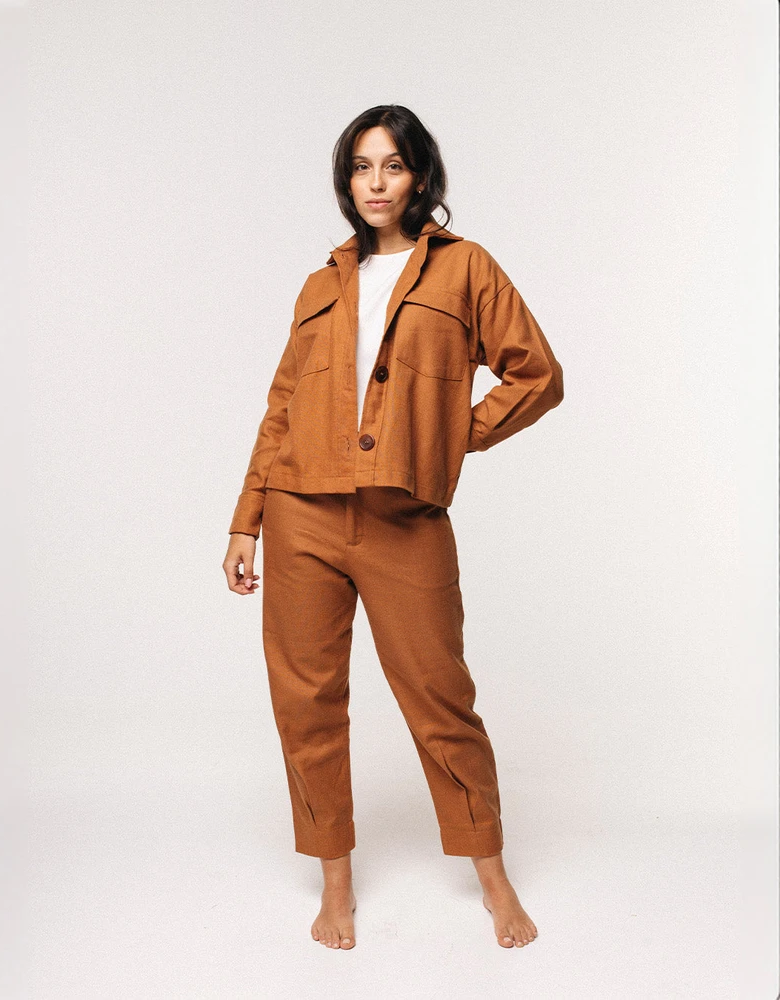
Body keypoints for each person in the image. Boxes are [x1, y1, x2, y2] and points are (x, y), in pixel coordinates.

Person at [222, 105, 564, 951]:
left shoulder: (464, 268)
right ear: (347, 180)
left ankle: (492, 877)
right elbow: (281, 407)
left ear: (419, 177)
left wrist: (448, 436)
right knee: (305, 702)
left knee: (440, 697)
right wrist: (246, 520)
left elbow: (537, 374)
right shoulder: (320, 285)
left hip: (404, 518)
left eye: (393, 166)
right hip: (299, 509)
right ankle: (335, 883)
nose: (375, 183)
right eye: (361, 167)